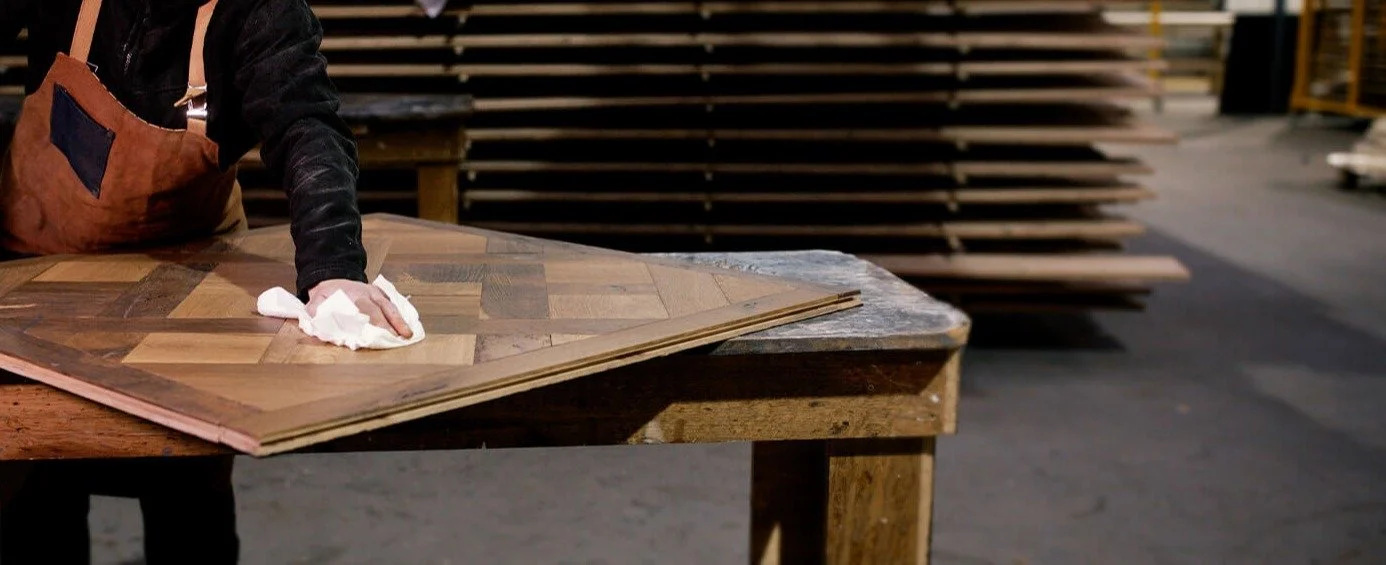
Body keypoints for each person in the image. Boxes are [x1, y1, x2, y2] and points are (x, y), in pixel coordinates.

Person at [0, 0, 413, 562]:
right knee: (36, 488)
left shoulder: (261, 11)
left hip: (184, 289)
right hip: (36, 279)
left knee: (188, 493)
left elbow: (306, 126)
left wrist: (333, 270)